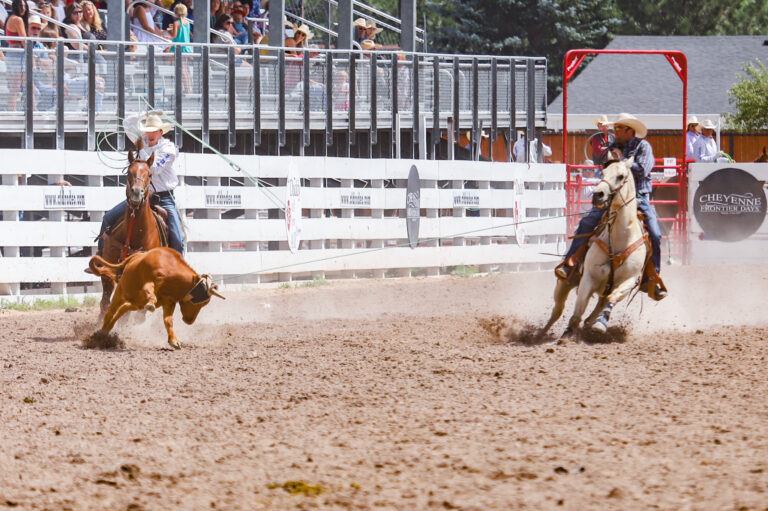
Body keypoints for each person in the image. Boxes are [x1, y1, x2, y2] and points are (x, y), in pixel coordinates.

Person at [556, 113, 666, 298]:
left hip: (637, 197)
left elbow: (644, 169)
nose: (615, 132)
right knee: (587, 222)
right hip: (612, 198)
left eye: (618, 128)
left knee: (655, 233)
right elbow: (606, 170)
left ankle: (652, 276)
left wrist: (623, 164)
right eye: (615, 128)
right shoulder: (613, 148)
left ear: (630, 131)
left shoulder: (643, 146)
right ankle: (571, 264)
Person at [98, 112, 184, 255]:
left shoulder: (169, 149)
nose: (149, 134)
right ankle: (101, 255)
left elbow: (155, 168)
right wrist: (143, 113)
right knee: (108, 218)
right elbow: (127, 123)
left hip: (164, 199)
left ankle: (179, 266)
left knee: (177, 237)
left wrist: (142, 148)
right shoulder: (142, 140)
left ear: (160, 132)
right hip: (141, 196)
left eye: (153, 131)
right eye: (148, 131)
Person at [5, 0, 29, 111]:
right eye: (20, 6)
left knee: (16, 87)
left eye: (24, 6)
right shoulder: (18, 19)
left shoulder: (9, 18)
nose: (23, 8)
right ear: (15, 6)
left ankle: (13, 111)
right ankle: (12, 113)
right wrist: (31, 54)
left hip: (11, 53)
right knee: (16, 87)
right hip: (17, 54)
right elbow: (24, 41)